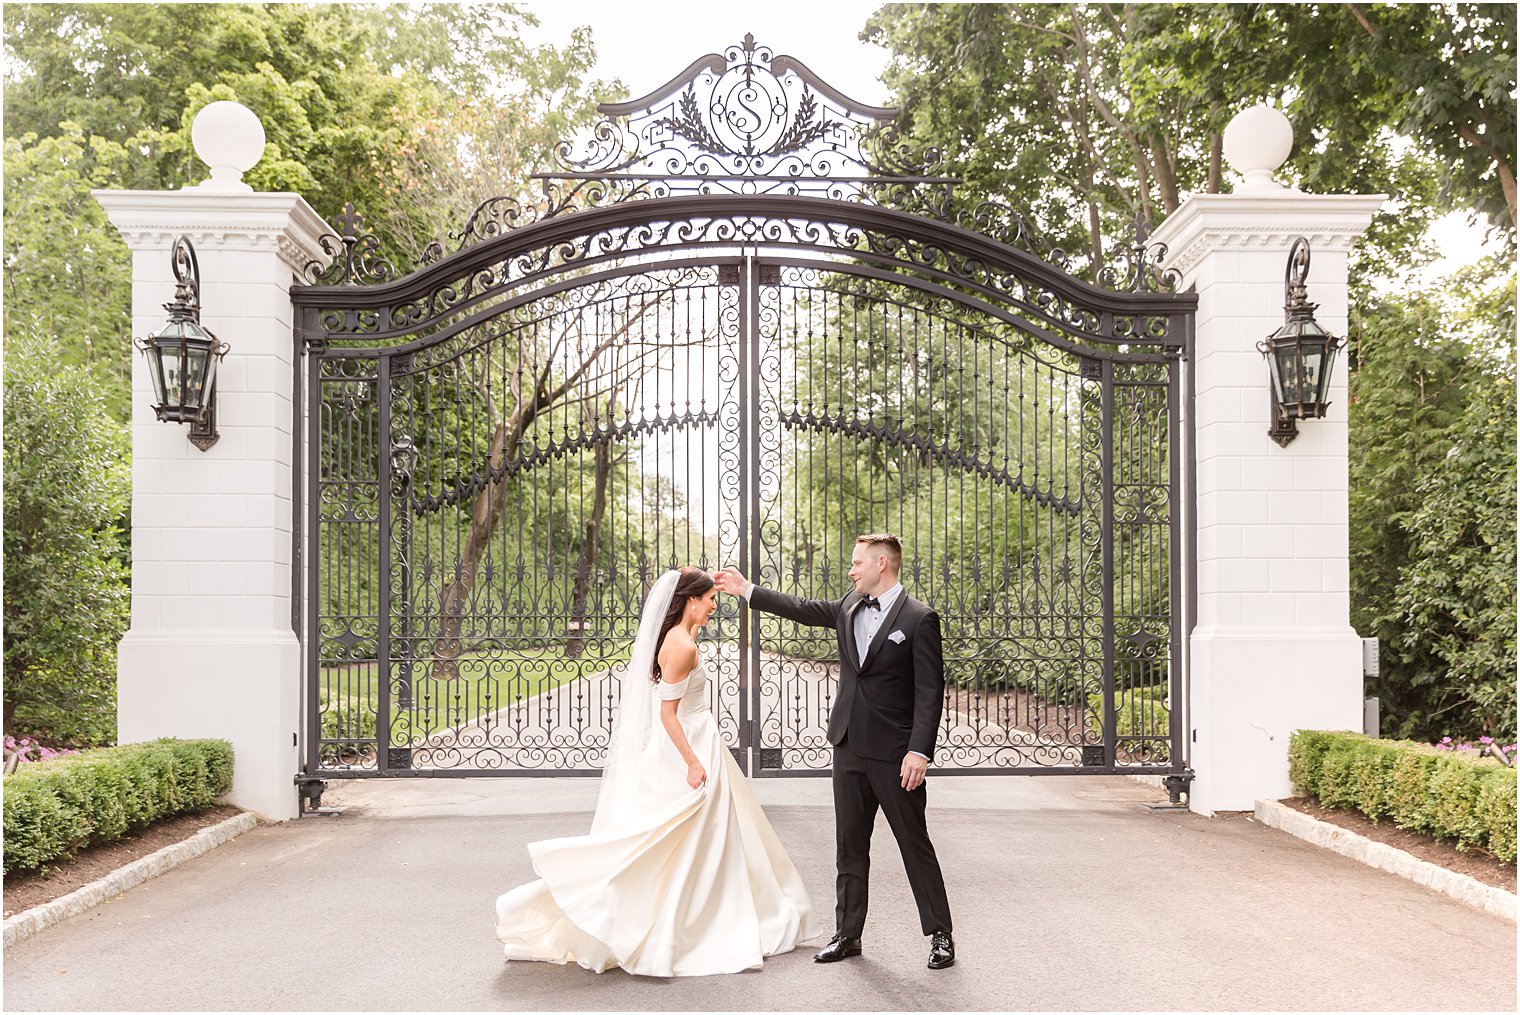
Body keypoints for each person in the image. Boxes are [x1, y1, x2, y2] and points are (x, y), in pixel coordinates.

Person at [494, 567, 819, 977]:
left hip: (693, 739)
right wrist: (693, 761)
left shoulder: (678, 638)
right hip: (690, 745)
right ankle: (693, 922)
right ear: (690, 601)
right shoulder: (682, 646)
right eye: (709, 599)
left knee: (690, 838)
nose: (715, 606)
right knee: (694, 835)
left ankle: (696, 911)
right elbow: (668, 714)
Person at [714, 534, 955, 970]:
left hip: (897, 756)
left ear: (882, 563)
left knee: (913, 844)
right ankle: (848, 935)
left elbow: (930, 692)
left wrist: (920, 751)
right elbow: (804, 611)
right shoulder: (848, 605)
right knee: (849, 847)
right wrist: (748, 590)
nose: (851, 570)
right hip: (847, 747)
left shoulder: (920, 619)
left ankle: (940, 935)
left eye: (857, 563)